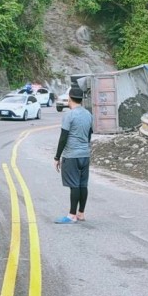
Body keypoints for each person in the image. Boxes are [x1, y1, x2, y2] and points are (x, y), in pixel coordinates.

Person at [53, 86, 93, 224]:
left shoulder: (69, 115)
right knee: (83, 184)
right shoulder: (88, 114)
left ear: (69, 98)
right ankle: (81, 213)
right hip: (85, 155)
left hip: (72, 156)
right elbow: (89, 134)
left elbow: (63, 137)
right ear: (81, 99)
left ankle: (71, 215)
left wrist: (57, 157)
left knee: (74, 185)